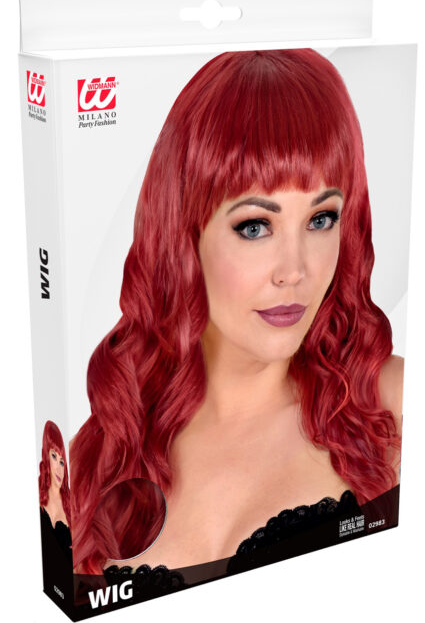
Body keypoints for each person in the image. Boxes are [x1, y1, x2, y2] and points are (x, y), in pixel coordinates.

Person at [70, 48, 403, 580]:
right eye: (255, 226)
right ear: (185, 233)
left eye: (320, 219)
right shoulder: (104, 451)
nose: (294, 271)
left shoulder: (390, 404)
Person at [39, 420, 72, 565]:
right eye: (54, 456)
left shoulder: (70, 503)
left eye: (62, 462)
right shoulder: (37, 492)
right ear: (46, 456)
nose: (59, 469)